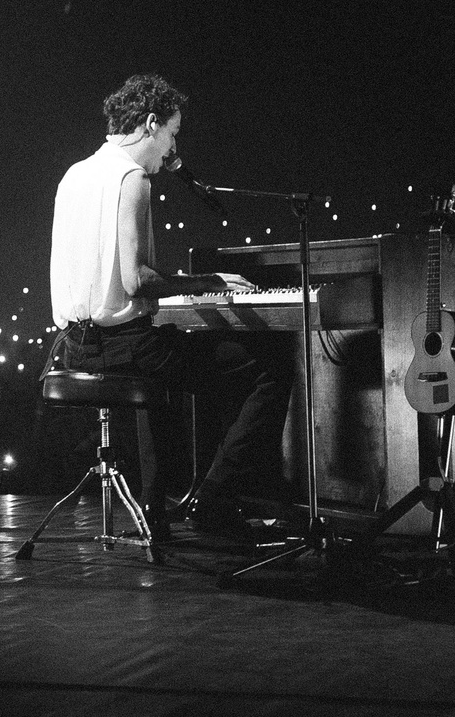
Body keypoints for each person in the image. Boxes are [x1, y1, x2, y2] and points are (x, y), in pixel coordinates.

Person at [47, 73, 294, 542]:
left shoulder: (74, 174)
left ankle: (157, 509)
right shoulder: (132, 177)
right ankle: (216, 499)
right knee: (269, 368)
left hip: (72, 347)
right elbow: (136, 281)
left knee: (166, 357)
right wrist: (211, 282)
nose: (172, 150)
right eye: (173, 135)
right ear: (151, 124)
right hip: (123, 348)